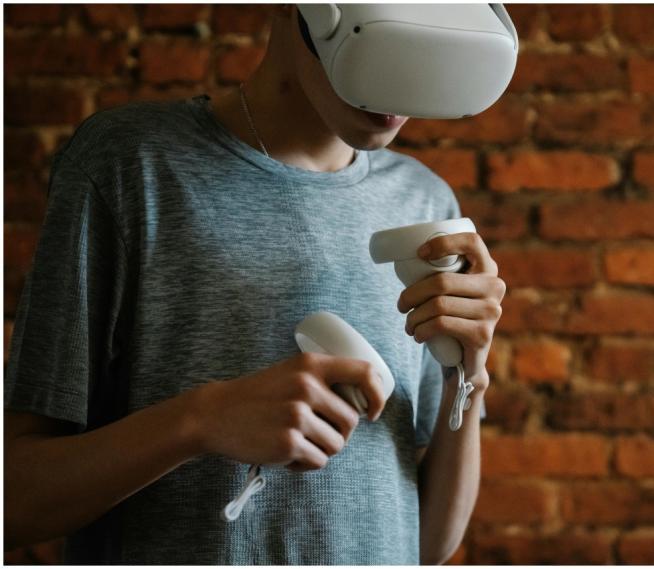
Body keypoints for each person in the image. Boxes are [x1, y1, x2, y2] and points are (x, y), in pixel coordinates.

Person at [4, 5, 505, 565]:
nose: (397, 98)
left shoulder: (425, 203)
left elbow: (428, 547)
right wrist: (200, 420)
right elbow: (16, 503)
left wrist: (471, 373)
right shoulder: (130, 166)